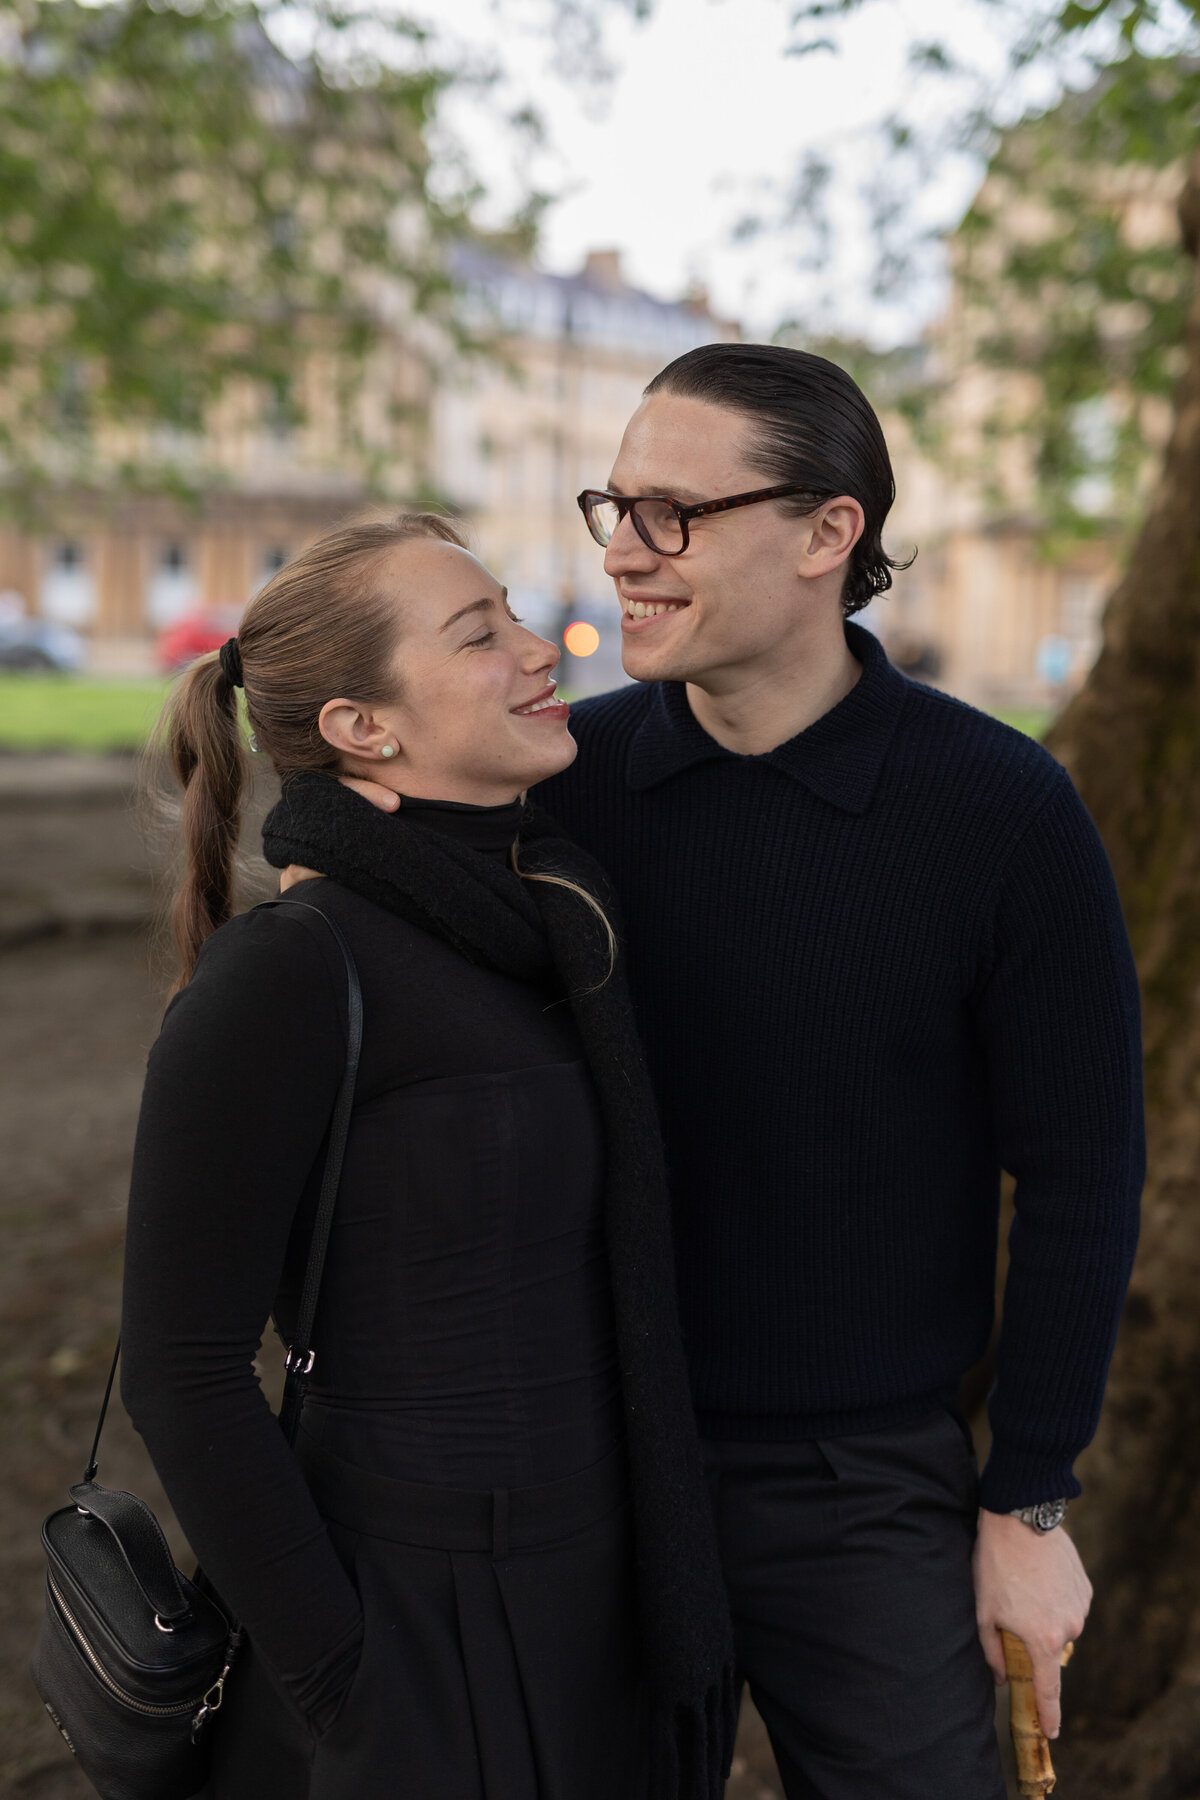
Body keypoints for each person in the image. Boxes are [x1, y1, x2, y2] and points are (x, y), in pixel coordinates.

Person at [347, 345, 1145, 1799]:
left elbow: (1087, 1172)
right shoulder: (551, 785)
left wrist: (1028, 1497)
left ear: (829, 531)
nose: (627, 557)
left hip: (863, 1487)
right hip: (583, 1458)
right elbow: (350, 908)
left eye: (677, 515)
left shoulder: (1003, 809)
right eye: (616, 507)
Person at [118, 513, 735, 1800]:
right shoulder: (289, 971)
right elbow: (181, 1371)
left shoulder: (552, 918)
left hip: (606, 1587)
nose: (537, 648)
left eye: (514, 612)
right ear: (361, 726)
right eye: (480, 633)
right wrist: (338, 1675)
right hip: (410, 1618)